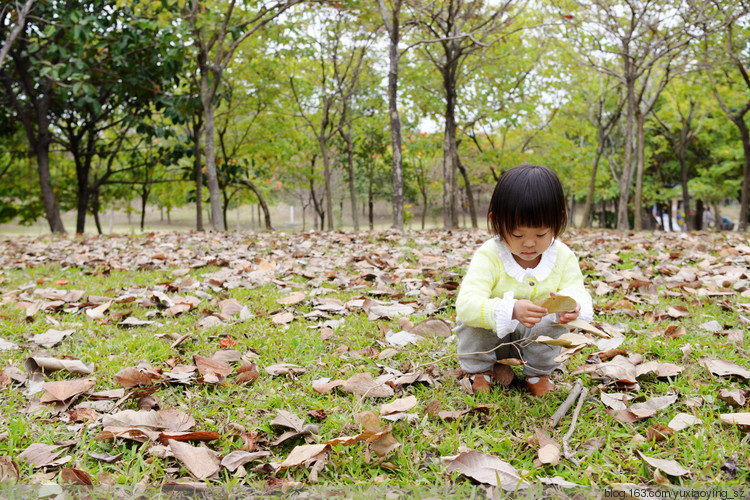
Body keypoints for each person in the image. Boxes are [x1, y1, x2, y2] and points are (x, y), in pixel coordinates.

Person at [455, 164, 594, 397]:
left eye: (541, 234)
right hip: (492, 341)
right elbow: (466, 304)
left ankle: (538, 373)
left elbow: (577, 291)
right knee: (473, 320)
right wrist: (509, 309)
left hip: (533, 343)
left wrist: (574, 307)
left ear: (558, 221)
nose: (529, 244)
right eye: (517, 235)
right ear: (497, 222)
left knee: (550, 321)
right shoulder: (489, 255)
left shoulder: (562, 256)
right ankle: (479, 371)